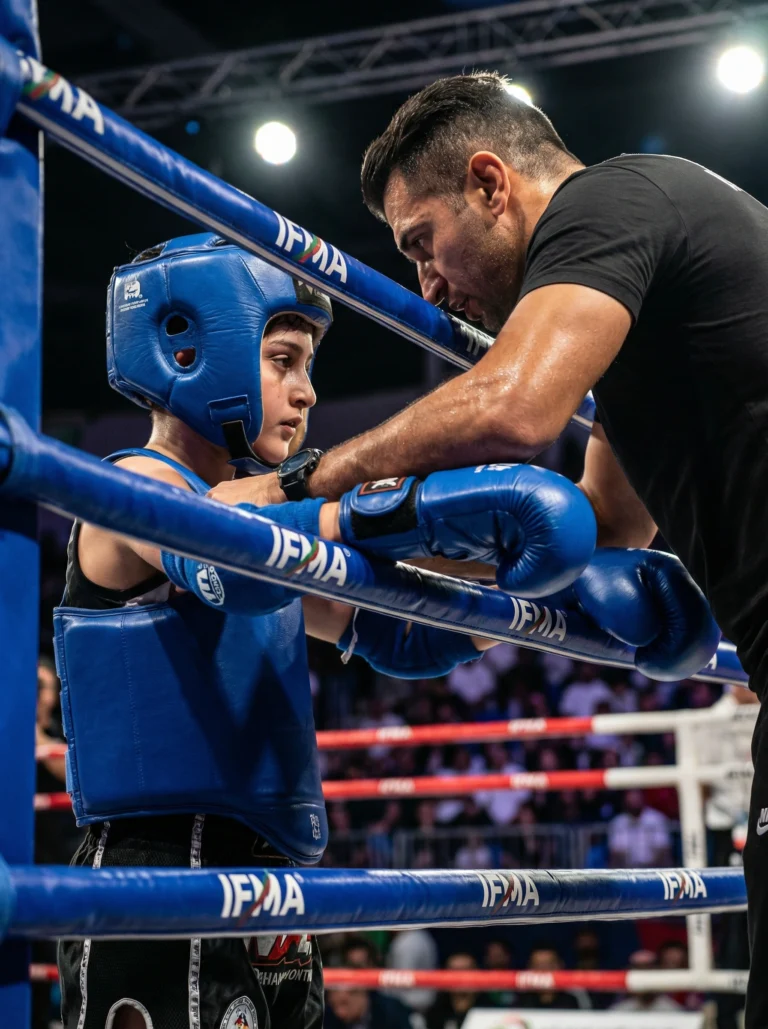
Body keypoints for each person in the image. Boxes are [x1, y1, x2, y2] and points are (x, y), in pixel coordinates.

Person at [54, 233, 519, 1029]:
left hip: (269, 870)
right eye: (282, 360)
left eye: (308, 365)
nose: (306, 392)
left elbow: (397, 636)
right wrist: (379, 506)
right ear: (191, 351)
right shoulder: (133, 482)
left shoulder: (268, 531)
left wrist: (515, 585)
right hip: (162, 861)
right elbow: (224, 559)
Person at [608, 790, 672, 868]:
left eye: (636, 798)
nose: (634, 801)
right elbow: (616, 852)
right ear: (625, 801)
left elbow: (663, 848)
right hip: (627, 869)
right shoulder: (618, 822)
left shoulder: (657, 819)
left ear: (642, 799)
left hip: (654, 868)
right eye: (631, 799)